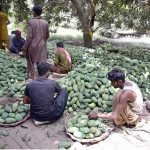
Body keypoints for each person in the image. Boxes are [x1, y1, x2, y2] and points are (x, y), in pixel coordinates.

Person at [22, 5, 49, 79]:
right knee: (41, 61)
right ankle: (43, 75)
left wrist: (25, 47)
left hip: (33, 45)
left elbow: (29, 37)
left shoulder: (31, 22)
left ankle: (33, 75)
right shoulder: (45, 23)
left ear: (34, 12)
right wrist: (42, 40)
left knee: (30, 61)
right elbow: (47, 35)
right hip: (42, 45)